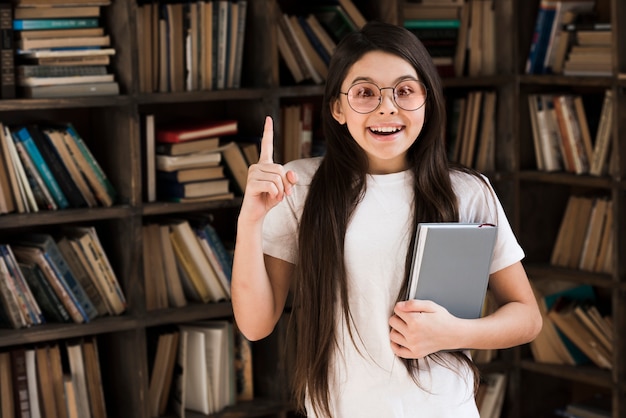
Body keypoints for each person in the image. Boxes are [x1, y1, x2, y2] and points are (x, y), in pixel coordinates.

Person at [232, 21, 542, 418]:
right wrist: (250, 219)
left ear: (426, 101)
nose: (387, 107)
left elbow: (527, 316)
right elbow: (256, 325)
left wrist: (455, 332)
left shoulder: (467, 191)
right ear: (337, 108)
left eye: (404, 90)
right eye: (365, 93)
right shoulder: (302, 187)